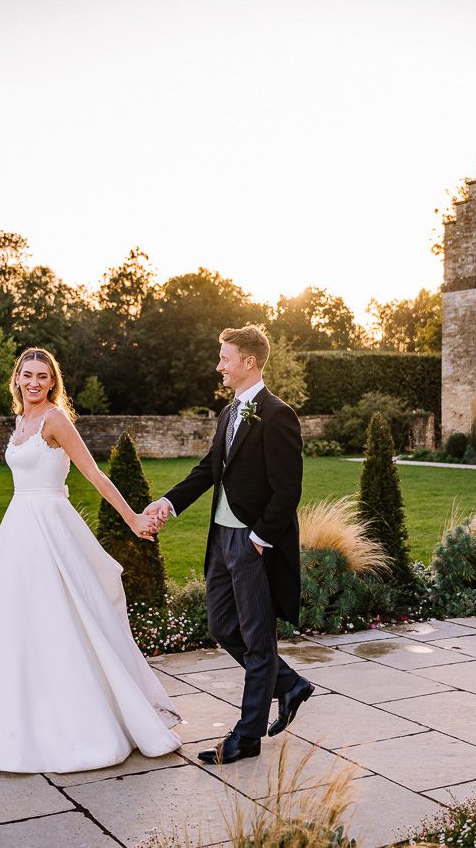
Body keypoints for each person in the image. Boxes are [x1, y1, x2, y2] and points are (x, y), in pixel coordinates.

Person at [0, 347, 180, 773]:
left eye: (42, 376)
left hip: (50, 527)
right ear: (17, 379)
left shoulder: (55, 421)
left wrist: (133, 517)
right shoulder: (20, 421)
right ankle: (4, 724)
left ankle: (74, 724)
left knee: (60, 619)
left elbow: (95, 474)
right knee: (11, 623)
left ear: (53, 382)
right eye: (27, 375)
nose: (34, 382)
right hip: (16, 531)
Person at [145, 324, 314, 765]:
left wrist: (259, 539)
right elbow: (207, 471)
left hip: (252, 542)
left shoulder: (277, 414)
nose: (218, 365)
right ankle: (289, 684)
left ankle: (247, 736)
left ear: (249, 362)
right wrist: (168, 503)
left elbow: (287, 490)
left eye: (225, 358)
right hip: (221, 539)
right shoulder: (229, 413)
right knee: (222, 626)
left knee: (259, 642)